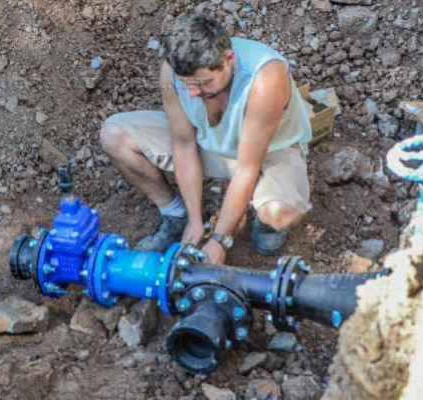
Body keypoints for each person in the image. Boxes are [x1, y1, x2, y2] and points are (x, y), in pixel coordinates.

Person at [100, 14, 312, 264]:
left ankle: (263, 215)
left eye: (202, 83)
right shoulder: (174, 69)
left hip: (268, 153)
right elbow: (184, 143)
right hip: (208, 144)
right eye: (186, 84)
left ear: (228, 60)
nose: (192, 92)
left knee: (279, 213)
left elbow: (247, 167)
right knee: (115, 135)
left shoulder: (265, 79)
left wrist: (220, 240)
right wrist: (195, 220)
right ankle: (174, 214)